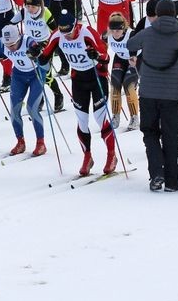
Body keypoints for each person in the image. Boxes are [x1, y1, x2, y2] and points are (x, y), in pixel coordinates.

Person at [33, 10, 117, 177]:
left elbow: (106, 56)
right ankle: (87, 157)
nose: (67, 36)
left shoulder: (87, 32)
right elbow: (45, 57)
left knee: (100, 118)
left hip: (96, 77)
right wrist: (36, 54)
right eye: (64, 33)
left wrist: (97, 55)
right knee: (82, 120)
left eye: (69, 32)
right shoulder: (57, 35)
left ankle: (111, 155)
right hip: (78, 79)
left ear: (75, 27)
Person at [0, 22, 46, 156]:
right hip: (18, 75)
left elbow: (44, 60)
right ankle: (20, 142)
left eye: (13, 45)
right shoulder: (1, 43)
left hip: (36, 74)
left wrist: (37, 54)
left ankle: (41, 143)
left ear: (19, 38)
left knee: (32, 108)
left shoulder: (29, 41)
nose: (10, 48)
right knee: (15, 109)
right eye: (8, 46)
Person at [103, 13, 141, 133]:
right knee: (115, 84)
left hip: (133, 59)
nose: (115, 33)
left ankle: (135, 117)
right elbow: (99, 46)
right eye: (113, 30)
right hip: (120, 58)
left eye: (118, 31)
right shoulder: (107, 35)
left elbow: (136, 48)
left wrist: (134, 58)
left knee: (128, 85)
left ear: (123, 28)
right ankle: (115, 116)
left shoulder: (131, 34)